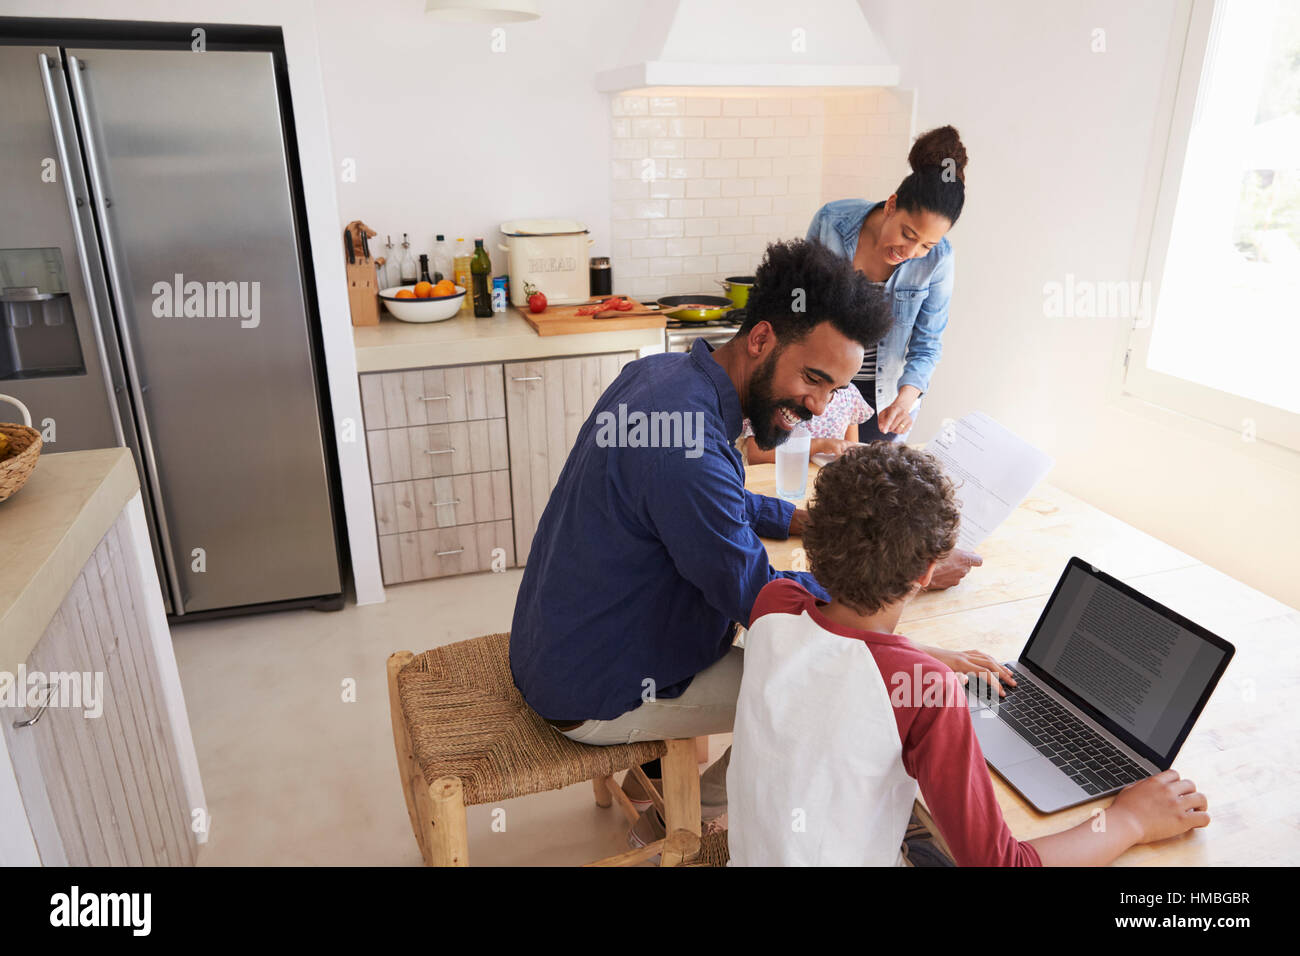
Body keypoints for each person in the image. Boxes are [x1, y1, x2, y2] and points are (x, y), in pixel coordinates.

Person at [508, 239, 997, 850]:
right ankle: (686, 816)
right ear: (762, 338)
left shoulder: (662, 379)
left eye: (834, 390)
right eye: (813, 379)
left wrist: (813, 522)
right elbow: (763, 602)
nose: (818, 407)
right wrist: (899, 583)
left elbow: (718, 500)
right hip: (596, 686)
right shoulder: (687, 450)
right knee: (820, 687)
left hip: (554, 645)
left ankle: (667, 790)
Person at [727, 444, 1212, 866]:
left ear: (815, 540)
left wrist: (921, 656)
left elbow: (838, 640)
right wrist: (1129, 820)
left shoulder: (774, 603)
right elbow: (997, 863)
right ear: (927, 573)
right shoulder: (928, 692)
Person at [806, 125, 968, 443]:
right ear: (892, 205)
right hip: (823, 385)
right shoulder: (832, 222)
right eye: (907, 234)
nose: (910, 252)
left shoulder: (940, 260)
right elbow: (800, 305)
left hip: (884, 400)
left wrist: (904, 402)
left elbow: (927, 344)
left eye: (926, 245)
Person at [739, 379, 872, 465]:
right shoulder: (782, 391)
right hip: (779, 484)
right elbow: (757, 455)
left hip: (826, 486)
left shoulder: (850, 395)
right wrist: (818, 445)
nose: (819, 409)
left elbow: (851, 453)